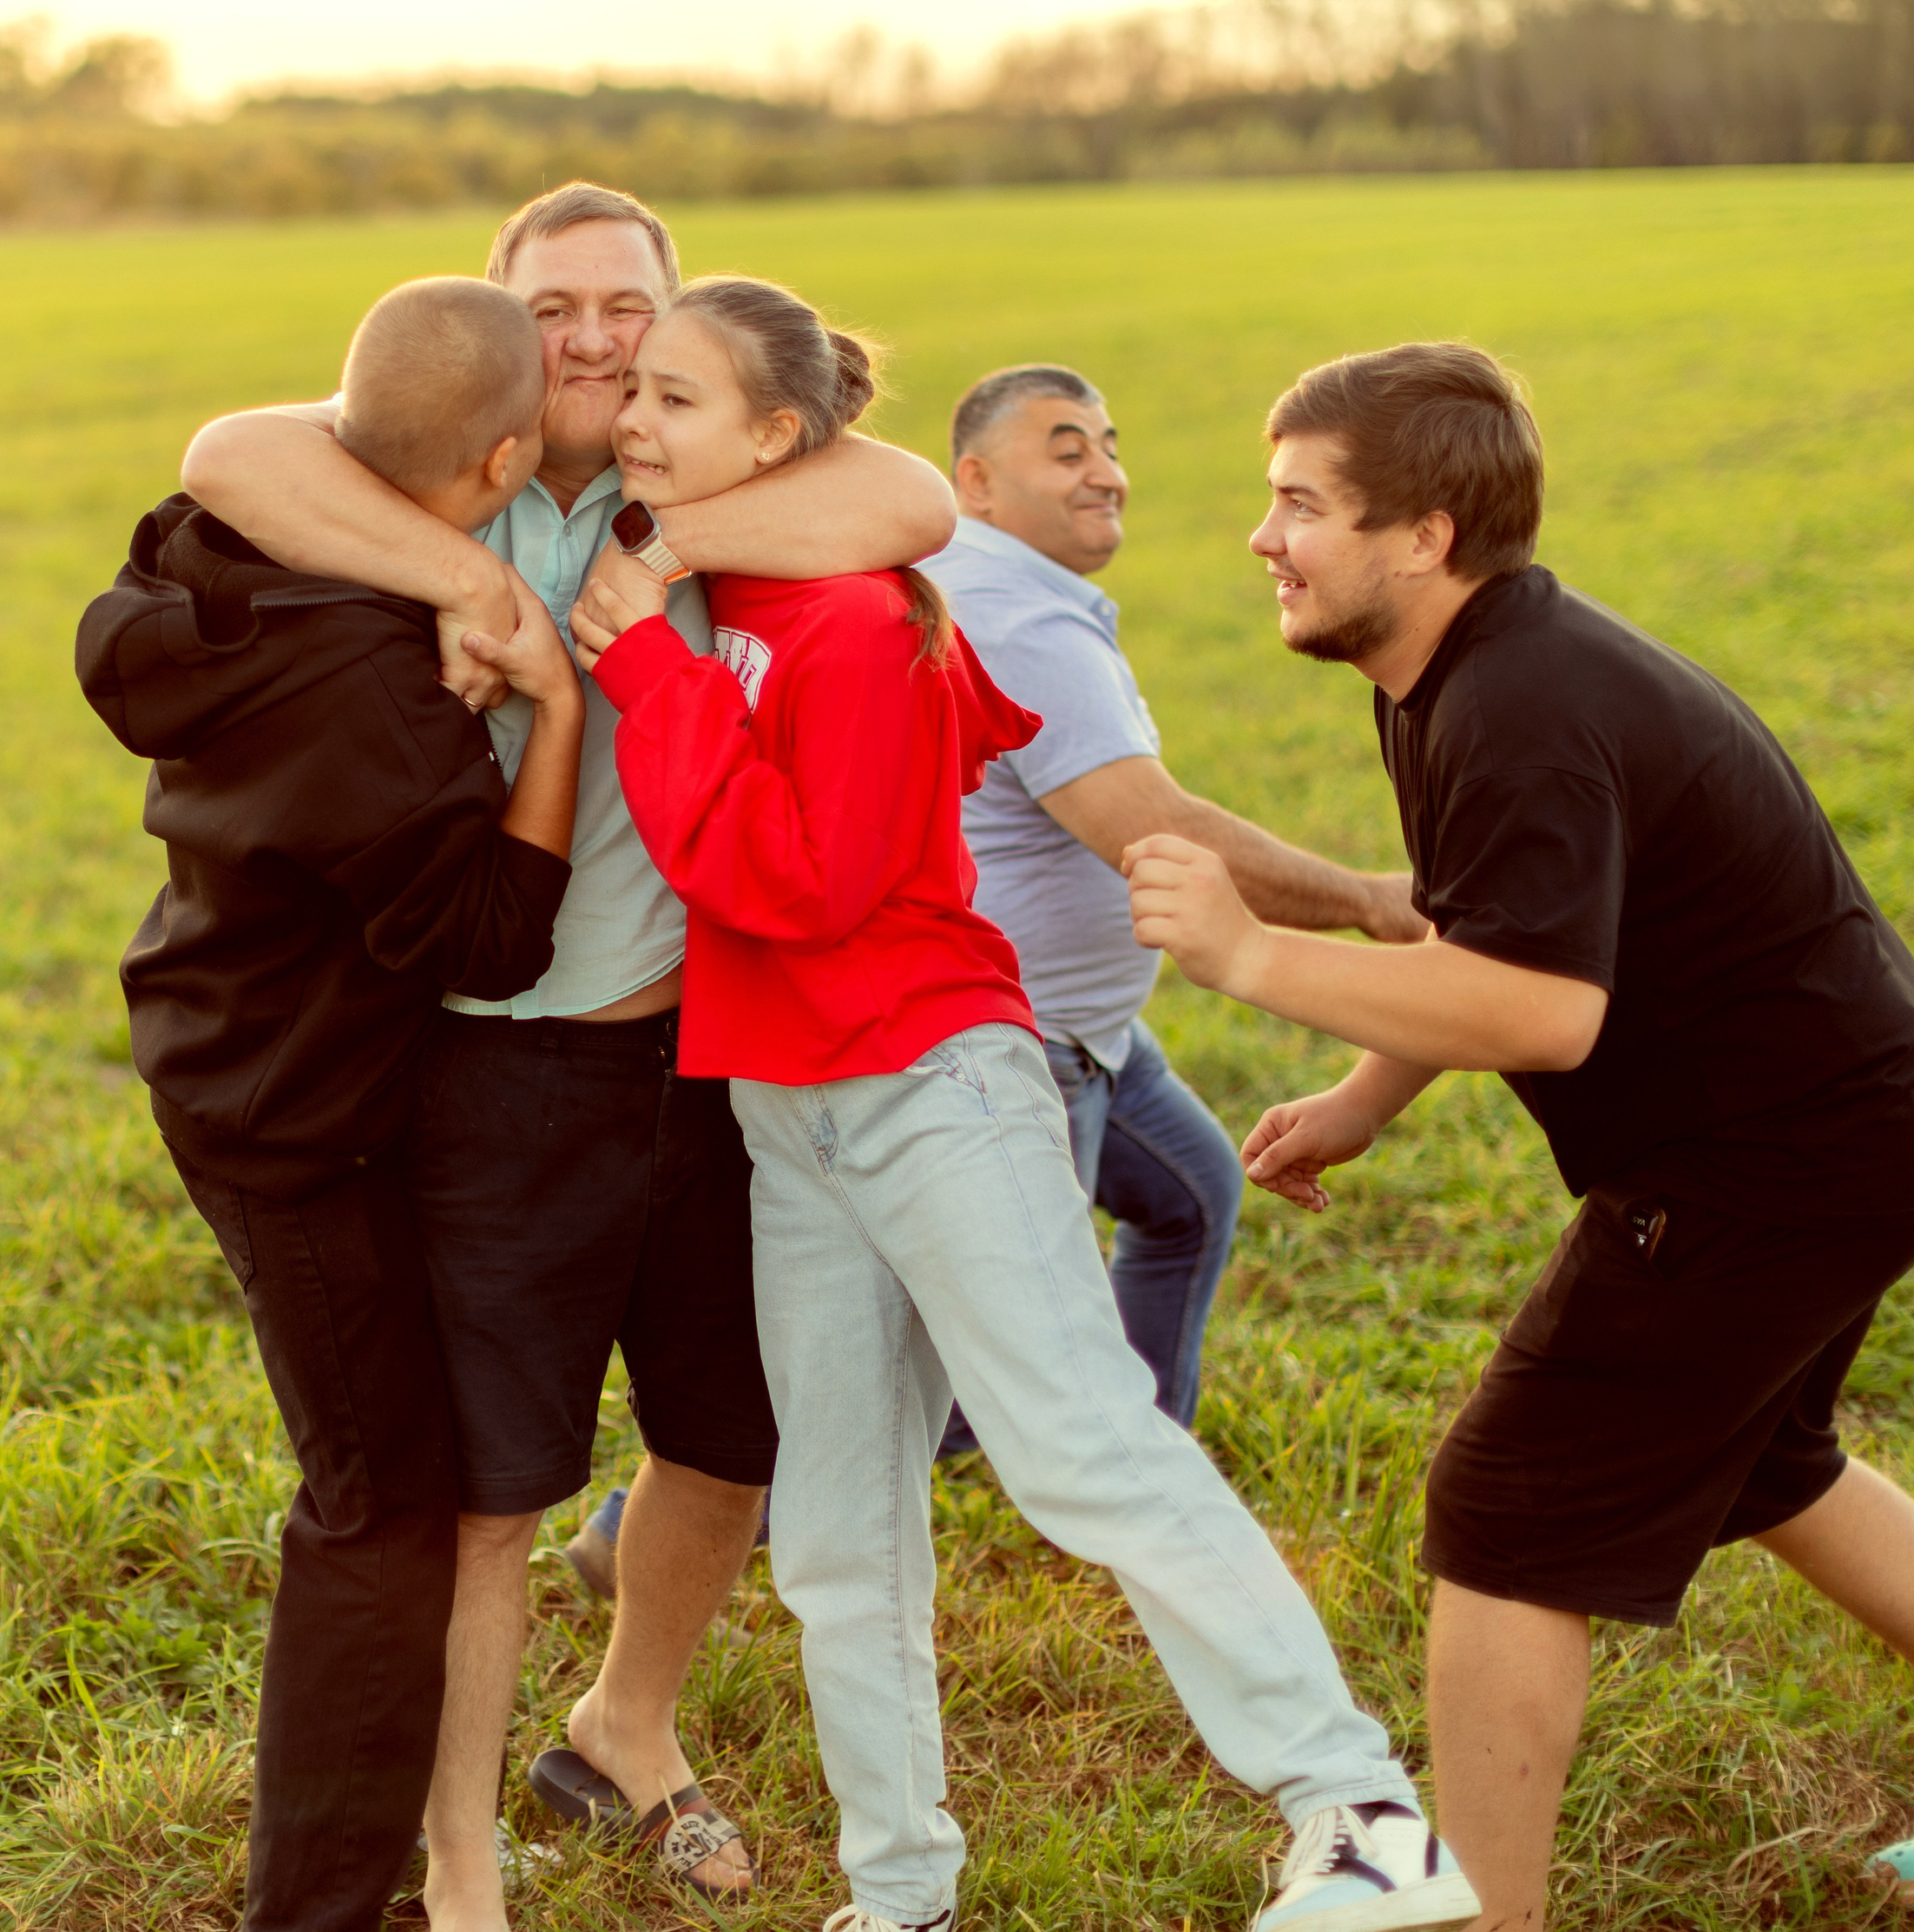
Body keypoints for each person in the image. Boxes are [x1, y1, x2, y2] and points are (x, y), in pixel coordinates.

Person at [1123, 341, 1914, 1927]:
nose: (1263, 538)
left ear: (1423, 535)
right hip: (1853, 1120)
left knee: (1505, 1511)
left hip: (1777, 1155)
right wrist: (1358, 1096)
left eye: (1299, 505)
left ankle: (1490, 1912)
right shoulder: (1454, 673)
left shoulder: (1520, 707)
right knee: (1769, 1459)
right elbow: (1483, 934)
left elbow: (1547, 1011)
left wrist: (1250, 957)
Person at [565, 274, 1481, 1932]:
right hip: (789, 1113)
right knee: (838, 1532)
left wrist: (650, 675)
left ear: (775, 437)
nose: (636, 422)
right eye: (636, 390)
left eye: (676, 399)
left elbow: (798, 888)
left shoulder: (855, 622)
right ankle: (900, 1891)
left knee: (1081, 1448)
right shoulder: (735, 593)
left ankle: (1363, 1812)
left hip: (932, 1084)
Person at [177, 182, 957, 1928]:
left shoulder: (711, 483)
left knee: (724, 1443)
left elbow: (910, 497)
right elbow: (230, 450)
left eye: (629, 306)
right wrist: (490, 593)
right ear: (495, 327)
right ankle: (462, 1856)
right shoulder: (421, 471)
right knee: (490, 1501)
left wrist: (657, 560)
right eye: (556, 309)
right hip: (496, 1079)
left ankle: (628, 1730)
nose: (598, 339)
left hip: (709, 1057)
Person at [78, 279, 582, 1932]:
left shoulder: (229, 551)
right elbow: (498, 941)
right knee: (377, 1506)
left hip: (223, 1036)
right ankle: (315, 1905)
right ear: (505, 451)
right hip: (293, 1124)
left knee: (394, 1482)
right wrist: (558, 709)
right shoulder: (383, 694)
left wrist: (462, 580)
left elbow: (250, 450)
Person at [923, 363, 1427, 1446]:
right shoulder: (1022, 627)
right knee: (965, 1378)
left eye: (1108, 445)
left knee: (1190, 1196)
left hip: (1085, 1031)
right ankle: (686, 1511)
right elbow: (1161, 835)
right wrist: (1371, 902)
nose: (1106, 473)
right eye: (1066, 451)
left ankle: (1140, 1458)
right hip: (1017, 1045)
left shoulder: (991, 590)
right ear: (973, 480)